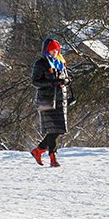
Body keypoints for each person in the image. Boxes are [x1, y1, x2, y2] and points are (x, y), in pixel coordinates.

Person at [31, 37, 71, 167]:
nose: (54, 53)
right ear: (46, 51)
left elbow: (63, 77)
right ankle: (52, 158)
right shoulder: (41, 63)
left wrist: (66, 81)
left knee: (59, 129)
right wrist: (53, 83)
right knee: (54, 129)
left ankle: (39, 150)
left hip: (61, 99)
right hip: (47, 99)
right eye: (52, 50)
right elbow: (35, 82)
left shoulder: (60, 62)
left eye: (56, 50)